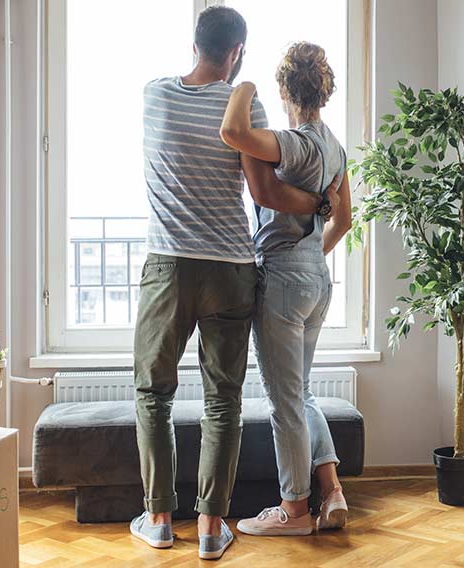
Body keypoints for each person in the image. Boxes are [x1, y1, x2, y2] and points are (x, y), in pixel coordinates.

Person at [129, 7, 337, 560]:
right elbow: (265, 193)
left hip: (170, 266)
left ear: (194, 42)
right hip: (231, 268)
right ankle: (210, 529)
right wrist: (319, 205)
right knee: (223, 399)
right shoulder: (246, 106)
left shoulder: (153, 95)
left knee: (154, 393)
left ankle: (157, 519)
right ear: (237, 51)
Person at [219, 41, 353, 537]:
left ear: (284, 88)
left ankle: (294, 511)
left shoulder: (295, 142)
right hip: (317, 280)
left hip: (282, 277)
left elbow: (233, 131)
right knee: (302, 391)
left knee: (284, 402)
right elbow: (345, 217)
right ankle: (332, 491)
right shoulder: (336, 146)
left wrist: (245, 84)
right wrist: (312, 257)